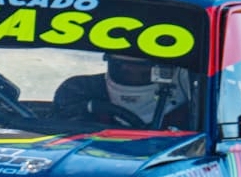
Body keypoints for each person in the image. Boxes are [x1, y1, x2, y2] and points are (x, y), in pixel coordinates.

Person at [54, 52, 191, 129]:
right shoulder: (78, 90)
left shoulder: (195, 103)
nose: (128, 69)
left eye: (142, 67)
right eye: (120, 64)